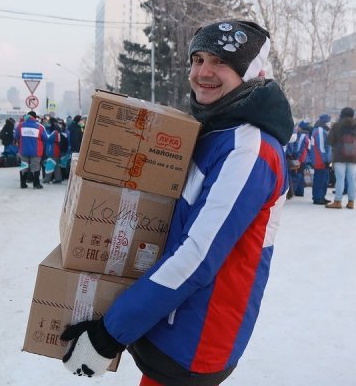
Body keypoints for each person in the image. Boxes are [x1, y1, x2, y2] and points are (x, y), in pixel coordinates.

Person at [59, 20, 294, 386]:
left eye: (219, 62)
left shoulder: (250, 150)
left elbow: (196, 257)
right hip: (170, 323)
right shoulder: (214, 131)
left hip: (197, 337)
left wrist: (110, 333)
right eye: (198, 59)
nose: (203, 72)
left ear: (248, 72)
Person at [325, 107, 356, 209]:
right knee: (352, 179)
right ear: (353, 115)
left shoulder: (337, 126)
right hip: (353, 158)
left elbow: (330, 141)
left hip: (339, 157)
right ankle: (351, 202)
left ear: (341, 115)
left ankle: (338, 201)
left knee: (340, 179)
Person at [14, 111, 47, 189]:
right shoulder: (40, 127)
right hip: (36, 151)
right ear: (35, 118)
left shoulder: (21, 126)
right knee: (35, 167)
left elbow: (16, 136)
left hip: (24, 150)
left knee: (24, 166)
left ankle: (23, 183)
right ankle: (36, 184)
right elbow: (45, 138)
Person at [310, 114, 332, 204]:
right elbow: (321, 146)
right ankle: (318, 197)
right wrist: (325, 159)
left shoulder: (321, 129)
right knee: (320, 179)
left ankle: (321, 196)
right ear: (325, 122)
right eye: (329, 121)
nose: (330, 124)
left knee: (324, 178)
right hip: (320, 159)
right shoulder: (319, 130)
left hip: (322, 159)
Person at [287, 120, 311, 197]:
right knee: (300, 175)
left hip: (300, 159)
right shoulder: (307, 135)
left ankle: (292, 192)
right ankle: (300, 192)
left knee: (295, 175)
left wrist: (298, 159)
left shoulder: (301, 136)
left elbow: (299, 148)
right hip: (304, 159)